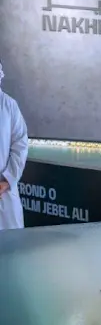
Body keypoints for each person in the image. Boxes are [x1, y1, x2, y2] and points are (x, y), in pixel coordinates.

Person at [0, 61, 28, 231]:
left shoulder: (9, 106)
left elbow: (20, 145)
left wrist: (7, 180)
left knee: (11, 243)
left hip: (4, 193)